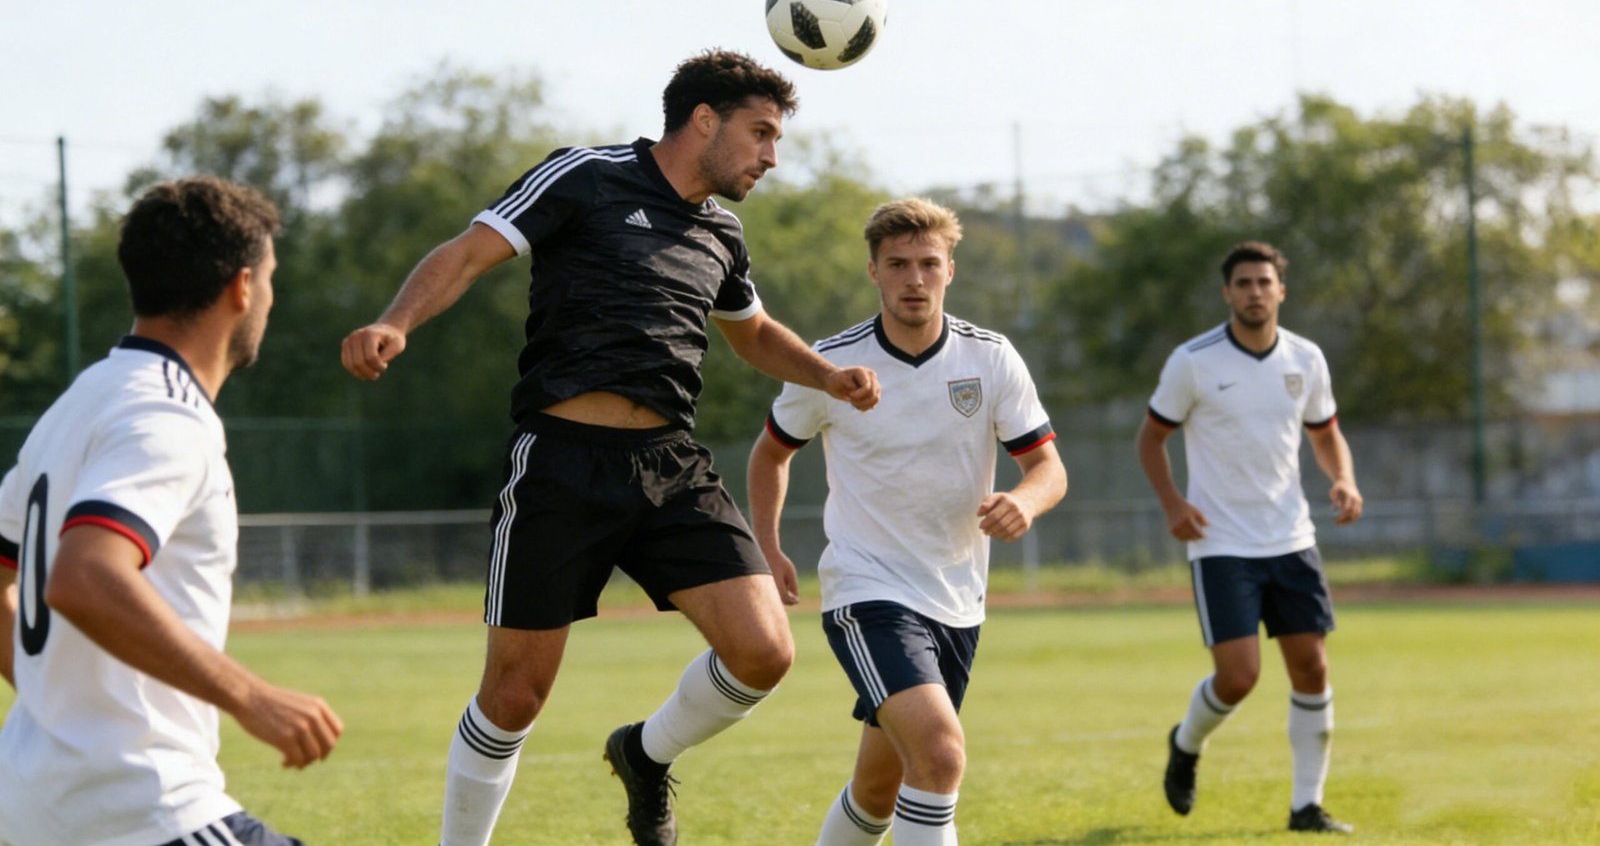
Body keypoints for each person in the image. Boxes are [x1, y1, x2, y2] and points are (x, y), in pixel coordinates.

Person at [340, 49, 880, 846]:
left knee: (765, 651)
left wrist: (827, 376)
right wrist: (395, 321)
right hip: (560, 462)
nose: (771, 156)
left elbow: (754, 333)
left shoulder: (722, 234)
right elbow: (466, 251)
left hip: (671, 467)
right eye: (761, 133)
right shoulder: (586, 176)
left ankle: (644, 751)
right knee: (515, 694)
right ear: (704, 120)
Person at [0, 177, 344, 846]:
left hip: (31, 809)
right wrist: (253, 696)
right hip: (136, 811)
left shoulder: (80, 400)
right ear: (242, 287)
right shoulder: (167, 413)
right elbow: (86, 574)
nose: (269, 298)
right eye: (271, 279)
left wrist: (54, 695)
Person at [747, 197, 1067, 846]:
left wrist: (1025, 501)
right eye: (898, 264)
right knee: (942, 754)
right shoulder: (830, 365)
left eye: (928, 263)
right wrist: (767, 546)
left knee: (878, 788)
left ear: (950, 269)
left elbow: (1049, 468)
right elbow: (770, 454)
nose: (913, 279)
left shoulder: (991, 357)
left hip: (956, 597)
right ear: (874, 271)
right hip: (867, 591)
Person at [1135, 241, 1364, 834]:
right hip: (1221, 543)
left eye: (1265, 282)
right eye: (1243, 283)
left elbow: (1326, 431)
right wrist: (1173, 506)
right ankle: (1186, 744)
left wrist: (1343, 478)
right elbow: (1150, 439)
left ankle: (1306, 808)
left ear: (1281, 290)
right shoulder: (1194, 361)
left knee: (1312, 668)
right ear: (1227, 293)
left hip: (1291, 538)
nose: (1255, 292)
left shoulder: (1306, 359)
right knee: (1239, 677)